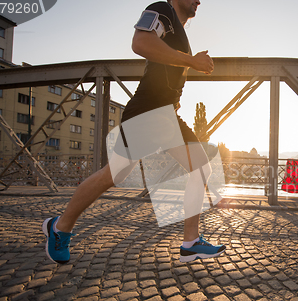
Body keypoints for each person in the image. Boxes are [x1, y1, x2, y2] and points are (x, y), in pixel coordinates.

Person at [42, 0, 225, 264]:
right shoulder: (163, 10)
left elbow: (163, 66)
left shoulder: (177, 30)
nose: (199, 0)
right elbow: (140, 42)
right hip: (148, 112)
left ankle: (191, 243)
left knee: (199, 167)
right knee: (114, 174)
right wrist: (191, 61)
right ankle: (59, 227)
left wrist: (178, 86)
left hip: (165, 115)